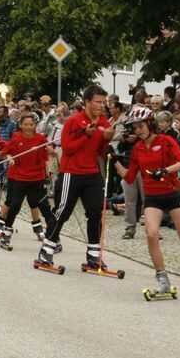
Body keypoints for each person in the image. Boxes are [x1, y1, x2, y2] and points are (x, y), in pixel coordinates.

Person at [114, 107, 180, 292]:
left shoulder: (166, 141)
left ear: (150, 124)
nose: (138, 130)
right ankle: (162, 279)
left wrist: (164, 170)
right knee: (151, 234)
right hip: (153, 198)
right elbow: (130, 177)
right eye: (135, 127)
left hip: (173, 195)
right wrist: (113, 160)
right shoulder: (138, 148)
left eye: (141, 126)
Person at [37, 85, 115, 271]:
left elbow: (102, 152)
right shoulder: (74, 121)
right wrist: (87, 136)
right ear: (87, 102)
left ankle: (94, 255)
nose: (101, 106)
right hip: (71, 172)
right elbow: (68, 148)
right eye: (98, 102)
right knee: (62, 211)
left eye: (104, 102)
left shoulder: (104, 121)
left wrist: (107, 140)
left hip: (93, 173)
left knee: (96, 213)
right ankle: (47, 250)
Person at [0, 112, 56, 251]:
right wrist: (10, 158)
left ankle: (53, 238)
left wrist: (50, 151)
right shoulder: (16, 138)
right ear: (21, 125)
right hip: (21, 178)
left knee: (45, 207)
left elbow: (51, 153)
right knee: (15, 205)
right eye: (26, 124)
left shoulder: (41, 138)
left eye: (31, 124)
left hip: (38, 178)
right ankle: (6, 234)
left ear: (35, 125)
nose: (29, 127)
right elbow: (6, 151)